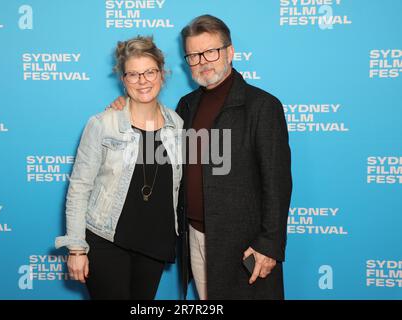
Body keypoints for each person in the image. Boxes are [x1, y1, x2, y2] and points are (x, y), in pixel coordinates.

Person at [110, 15, 292, 300]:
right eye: (193, 55)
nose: (203, 61)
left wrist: (270, 245)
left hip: (243, 245)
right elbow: (155, 152)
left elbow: (277, 183)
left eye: (210, 51)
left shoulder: (262, 106)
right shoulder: (187, 104)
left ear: (230, 52)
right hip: (194, 235)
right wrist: (127, 108)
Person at [55, 36, 183, 300]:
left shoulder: (178, 125)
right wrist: (77, 249)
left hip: (154, 244)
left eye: (149, 72)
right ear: (123, 80)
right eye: (133, 74)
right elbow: (79, 187)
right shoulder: (103, 124)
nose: (143, 80)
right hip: (106, 240)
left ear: (162, 74)